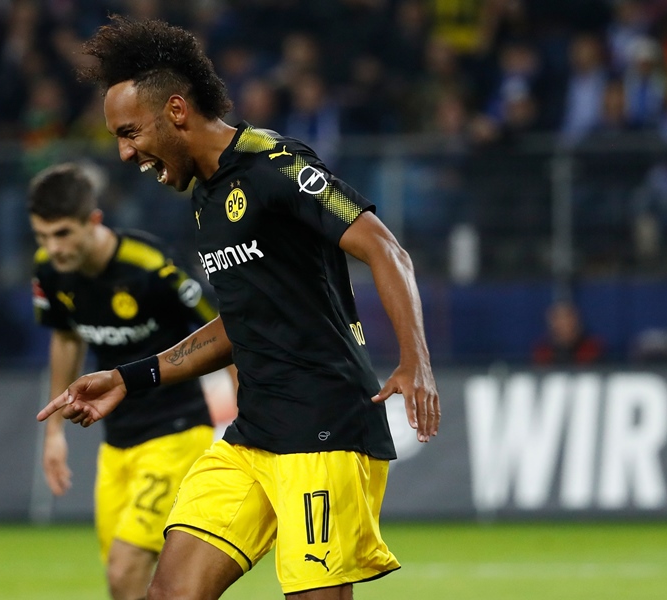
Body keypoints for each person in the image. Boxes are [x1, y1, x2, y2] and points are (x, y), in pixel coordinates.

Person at [37, 16, 440, 600]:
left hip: (324, 428)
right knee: (169, 593)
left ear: (176, 111)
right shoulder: (205, 196)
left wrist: (415, 360)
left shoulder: (274, 164)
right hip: (253, 434)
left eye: (130, 133)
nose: (125, 154)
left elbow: (386, 250)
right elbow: (240, 323)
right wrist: (129, 377)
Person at [28, 161, 230, 600]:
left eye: (62, 233)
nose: (52, 248)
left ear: (93, 221)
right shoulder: (48, 271)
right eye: (42, 236)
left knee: (126, 567)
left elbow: (225, 329)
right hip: (117, 443)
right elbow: (65, 339)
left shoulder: (151, 266)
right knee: (125, 585)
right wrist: (55, 431)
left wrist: (248, 406)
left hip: (177, 432)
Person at [532, 299, 605, 366]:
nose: (561, 325)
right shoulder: (542, 352)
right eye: (556, 320)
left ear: (575, 321)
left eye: (566, 319)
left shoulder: (593, 349)